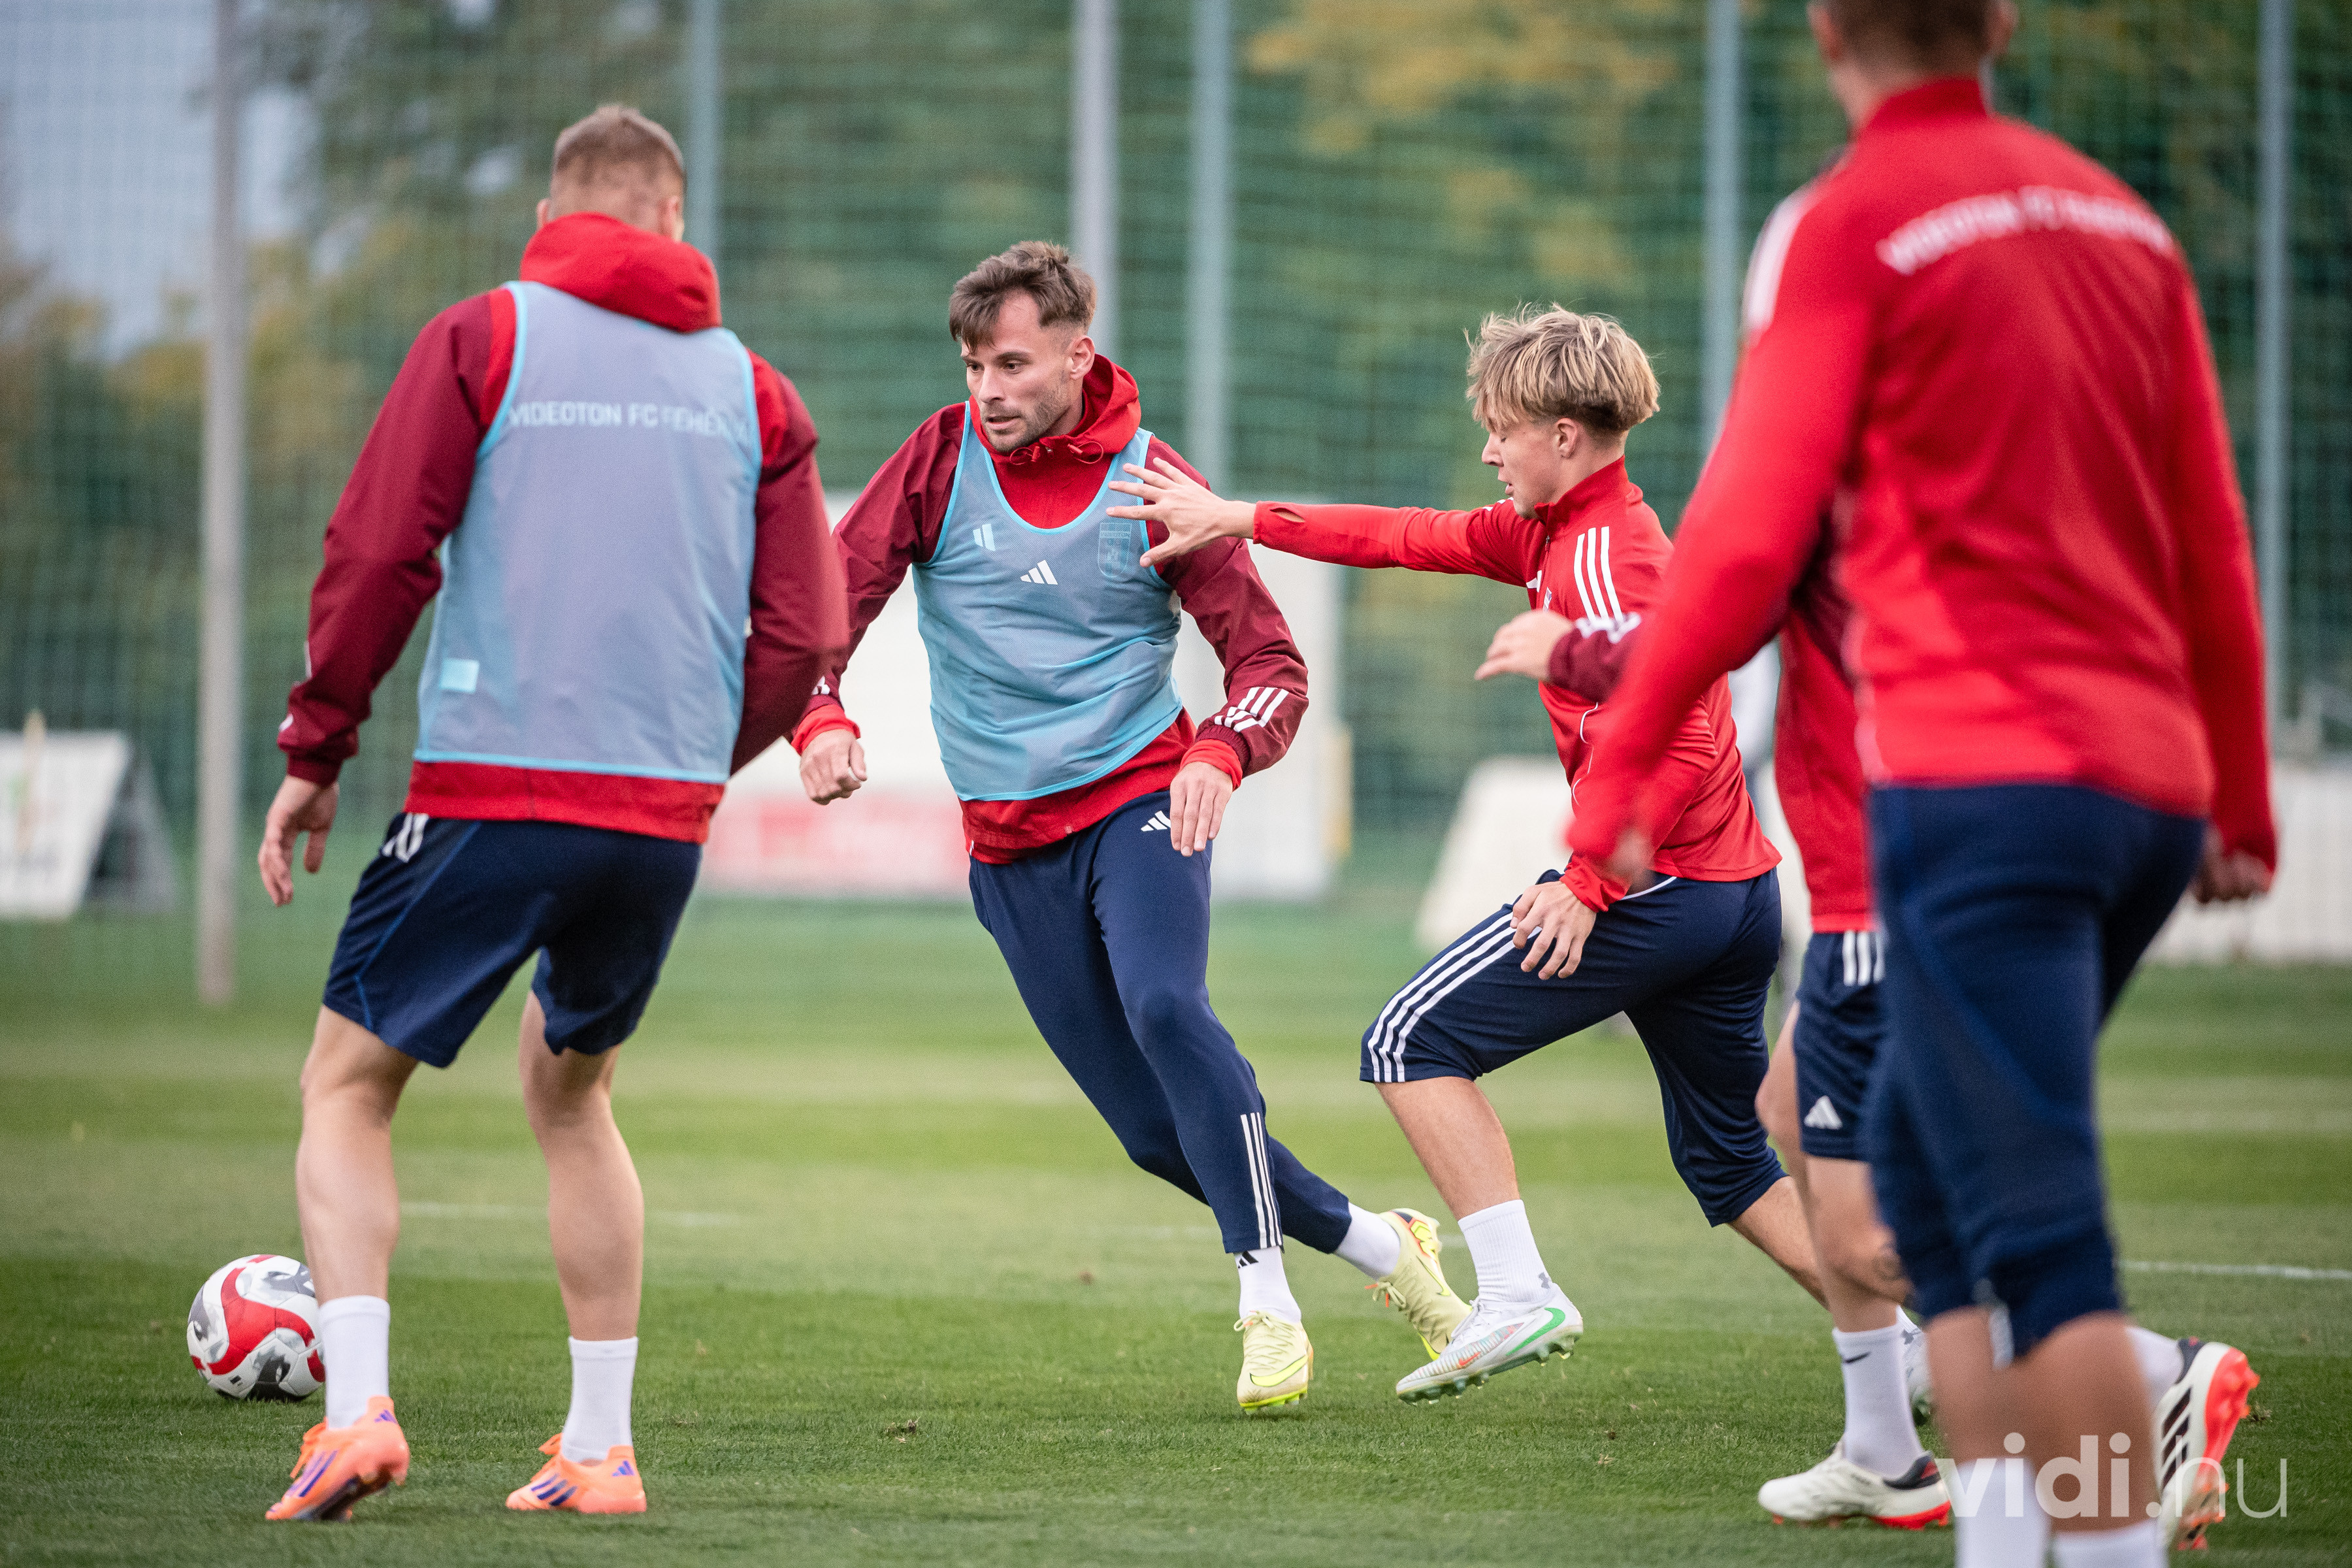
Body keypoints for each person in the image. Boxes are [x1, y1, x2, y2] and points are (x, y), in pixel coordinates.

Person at [1564, 3, 2274, 1561]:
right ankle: (1996, 1528)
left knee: (2038, 1236)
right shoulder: (2124, 220)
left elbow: (1745, 539)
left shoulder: (1844, 223)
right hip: (2146, 784)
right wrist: (2241, 789)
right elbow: (2211, 531)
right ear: (2001, 22)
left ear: (1827, 29)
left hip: (1982, 790)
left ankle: (2105, 1534)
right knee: (1941, 1213)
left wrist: (1614, 774)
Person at [255, 104, 848, 1520]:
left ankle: (356, 1416)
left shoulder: (484, 336)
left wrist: (319, 743)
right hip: (657, 820)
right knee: (572, 1094)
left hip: (491, 791)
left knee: (347, 1088)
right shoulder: (756, 391)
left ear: (552, 213)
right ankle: (599, 1451)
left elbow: (380, 551)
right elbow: (805, 630)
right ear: (674, 220)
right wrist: (698, 763)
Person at [792, 240, 1467, 1414]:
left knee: (1167, 1007)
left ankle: (1266, 1303)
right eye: (973, 366)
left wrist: (1220, 750)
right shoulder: (937, 462)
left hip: (1140, 798)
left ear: (1077, 356)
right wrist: (820, 715)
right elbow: (822, 613)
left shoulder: (1154, 482)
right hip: (1009, 847)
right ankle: (1380, 1245)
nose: (988, 389)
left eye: (1012, 364)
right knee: (1158, 1135)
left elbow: (1270, 665)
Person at [1111, 306, 1826, 1405]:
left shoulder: (1601, 560)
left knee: (1408, 1041)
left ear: (1565, 438)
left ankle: (1516, 1293)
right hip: (1732, 894)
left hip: (1661, 888)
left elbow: (1683, 735)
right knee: (1731, 1164)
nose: (1489, 451)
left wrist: (1589, 884)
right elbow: (1402, 534)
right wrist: (1236, 517)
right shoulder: (1559, 532)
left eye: (1502, 430)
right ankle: (1909, 1346)